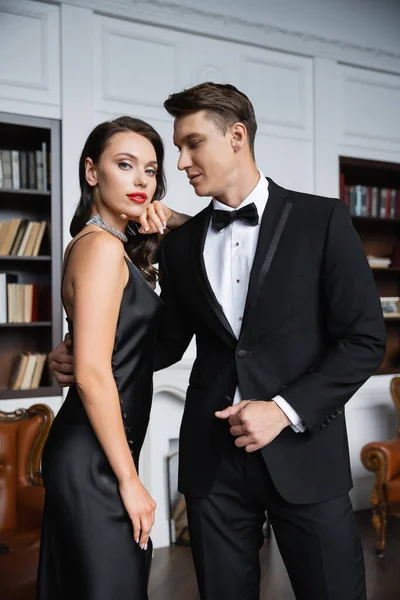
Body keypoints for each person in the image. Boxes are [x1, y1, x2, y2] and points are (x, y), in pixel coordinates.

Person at [49, 83, 386, 600]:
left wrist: (283, 409)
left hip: (304, 459)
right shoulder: (180, 242)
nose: (179, 163)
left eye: (191, 144)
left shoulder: (322, 221)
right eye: (176, 149)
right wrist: (80, 351)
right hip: (212, 468)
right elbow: (161, 345)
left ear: (236, 136)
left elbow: (364, 340)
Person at [36, 116, 188, 600]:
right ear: (91, 171)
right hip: (94, 459)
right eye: (125, 165)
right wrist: (130, 480)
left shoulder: (113, 247)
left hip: (101, 452)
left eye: (150, 170)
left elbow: (131, 355)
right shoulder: (100, 247)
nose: (141, 179)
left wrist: (171, 219)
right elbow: (93, 374)